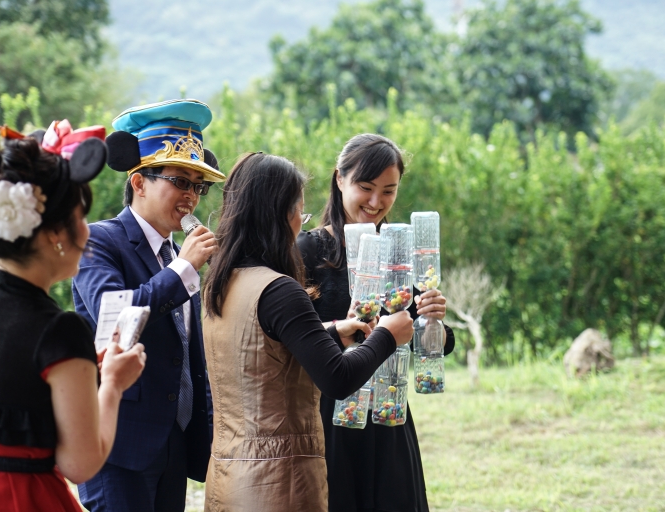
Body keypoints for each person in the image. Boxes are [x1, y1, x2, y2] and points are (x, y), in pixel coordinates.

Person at [0, 126, 146, 512]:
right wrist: (114, 384)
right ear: (55, 233)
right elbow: (80, 464)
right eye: (80, 217)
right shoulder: (61, 331)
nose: (87, 233)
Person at [201, 152, 414, 512]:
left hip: (230, 472)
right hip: (279, 480)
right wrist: (388, 335)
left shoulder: (222, 282)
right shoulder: (280, 290)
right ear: (281, 214)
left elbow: (262, 356)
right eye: (300, 210)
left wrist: (332, 332)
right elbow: (338, 378)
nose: (303, 220)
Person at [71, 100, 225, 512]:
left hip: (175, 438)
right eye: (180, 181)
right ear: (139, 182)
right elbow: (116, 316)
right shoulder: (100, 239)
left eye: (198, 185)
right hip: (119, 440)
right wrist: (183, 268)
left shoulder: (177, 254)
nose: (191, 196)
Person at [297, 133, 455, 512]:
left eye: (389, 191)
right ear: (339, 179)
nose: (376, 202)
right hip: (330, 418)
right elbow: (295, 339)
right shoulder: (309, 250)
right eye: (365, 188)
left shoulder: (400, 252)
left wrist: (433, 321)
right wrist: (349, 330)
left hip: (389, 415)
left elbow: (432, 343)